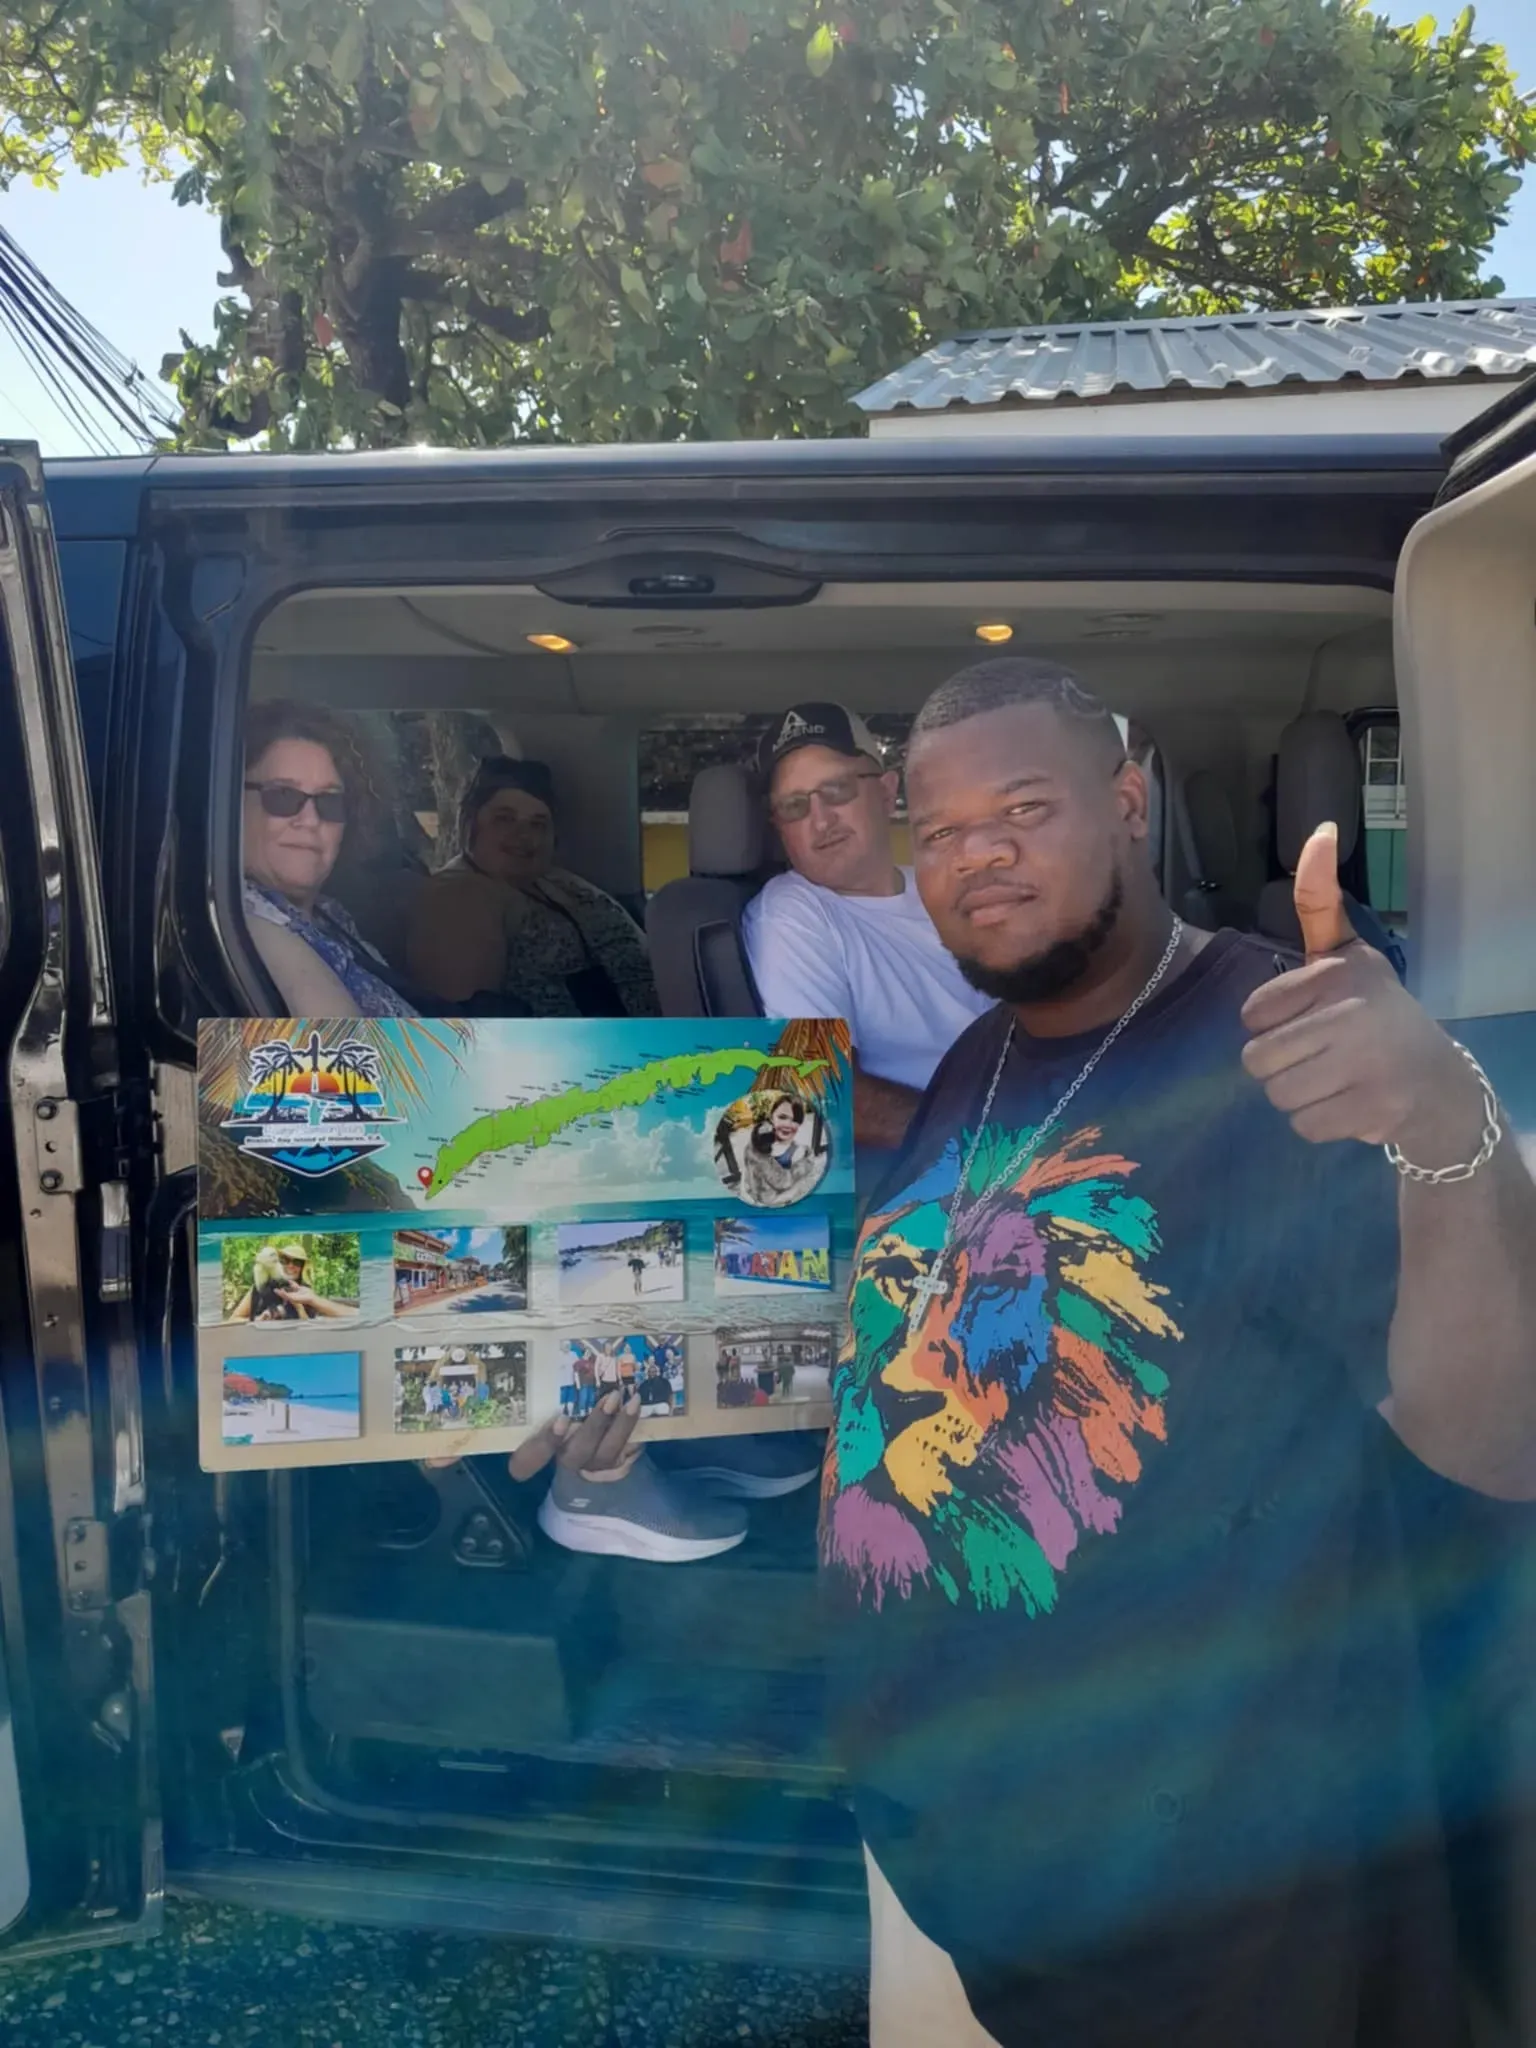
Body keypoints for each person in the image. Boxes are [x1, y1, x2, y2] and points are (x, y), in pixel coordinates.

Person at [821, 654, 1536, 2048]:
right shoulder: (980, 1057)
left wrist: (1447, 1119)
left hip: (1206, 1909)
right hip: (965, 1840)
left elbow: (1492, 1436)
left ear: (1130, 801)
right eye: (945, 830)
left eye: (1023, 809)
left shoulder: (1280, 1046)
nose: (980, 857)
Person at [742, 703, 993, 1153]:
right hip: (949, 1171)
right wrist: (997, 1138)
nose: (820, 820)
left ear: (886, 790)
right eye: (794, 806)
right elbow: (824, 1092)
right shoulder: (793, 915)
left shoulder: (941, 886)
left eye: (836, 790)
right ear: (778, 826)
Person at [407, 755, 660, 1017]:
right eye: (504, 819)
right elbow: (465, 1024)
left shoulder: (551, 881)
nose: (523, 836)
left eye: (538, 824)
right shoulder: (458, 897)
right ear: (469, 824)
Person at [242, 699, 417, 1016]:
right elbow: (346, 1062)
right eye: (283, 795)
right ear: (231, 807)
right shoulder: (248, 921)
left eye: (330, 802)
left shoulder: (329, 914)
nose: (310, 820)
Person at [227, 1242, 353, 1322]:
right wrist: (257, 1320)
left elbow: (310, 1330)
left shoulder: (306, 1292)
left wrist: (298, 1306)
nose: (291, 1266)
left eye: (297, 1262)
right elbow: (233, 1320)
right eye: (285, 1260)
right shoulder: (262, 1287)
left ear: (302, 1267)